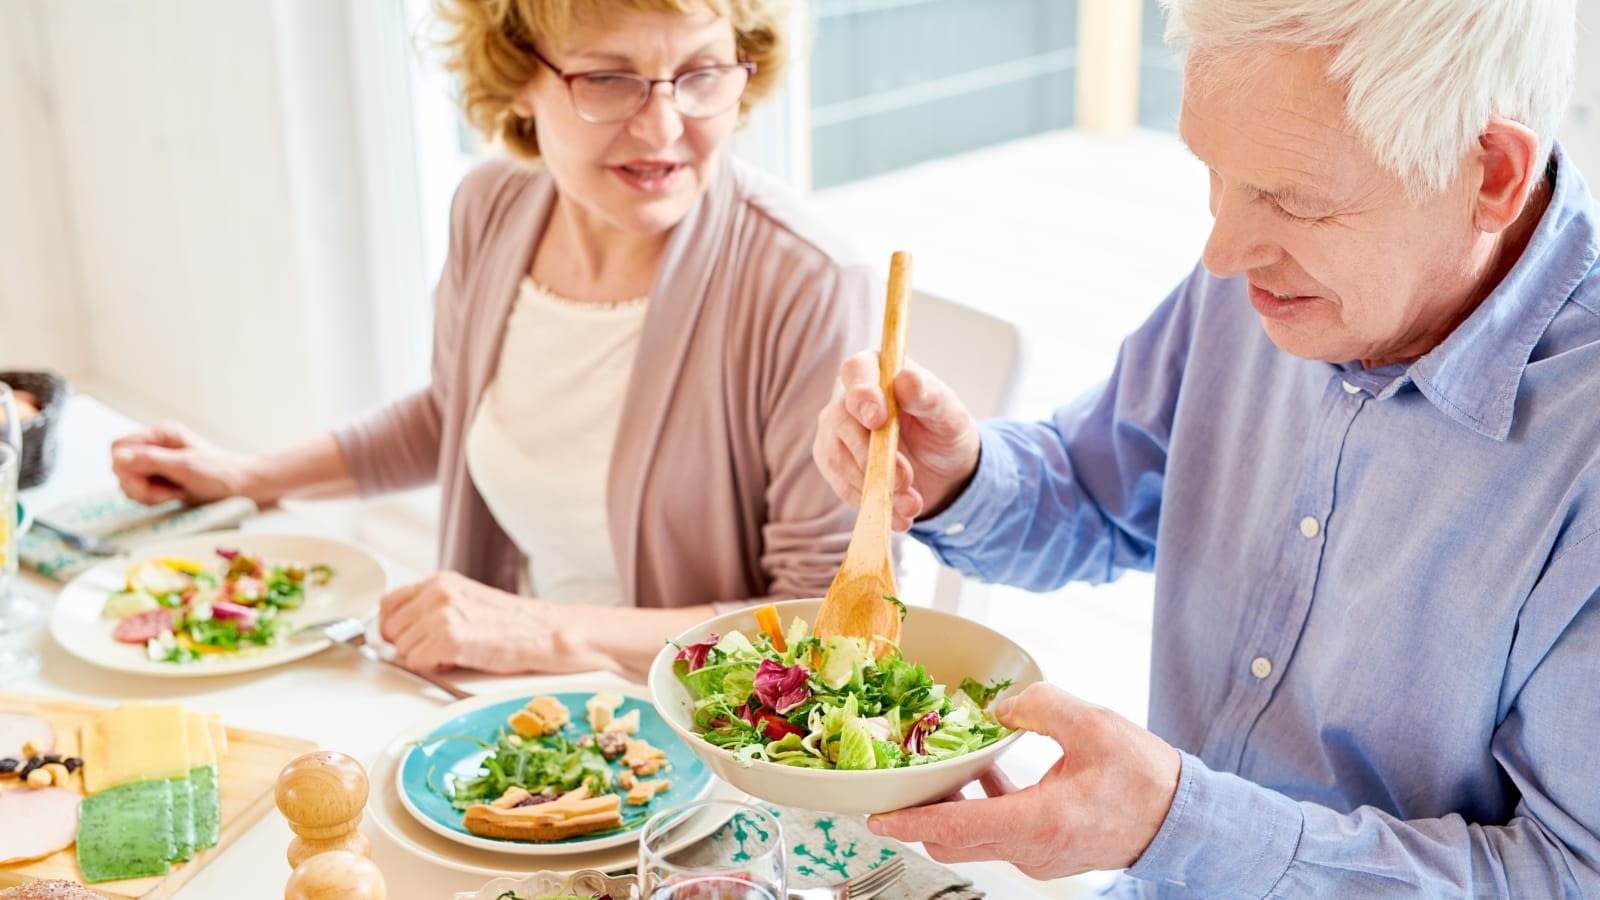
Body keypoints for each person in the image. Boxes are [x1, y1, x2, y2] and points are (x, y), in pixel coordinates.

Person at [812, 0, 1600, 894]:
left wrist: (1179, 826)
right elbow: (1098, 491)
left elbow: (1566, 876)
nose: (1222, 253)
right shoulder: (1279, 276)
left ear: (1491, 173)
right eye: (1213, 172)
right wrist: (960, 476)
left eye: (1291, 199)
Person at [111, 0, 875, 681]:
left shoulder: (805, 280)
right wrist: (249, 475)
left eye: (702, 73)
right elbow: (456, 415)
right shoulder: (494, 206)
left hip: (704, 733)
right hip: (519, 689)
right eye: (608, 78)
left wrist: (544, 629)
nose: (664, 125)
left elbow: (819, 617)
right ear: (517, 76)